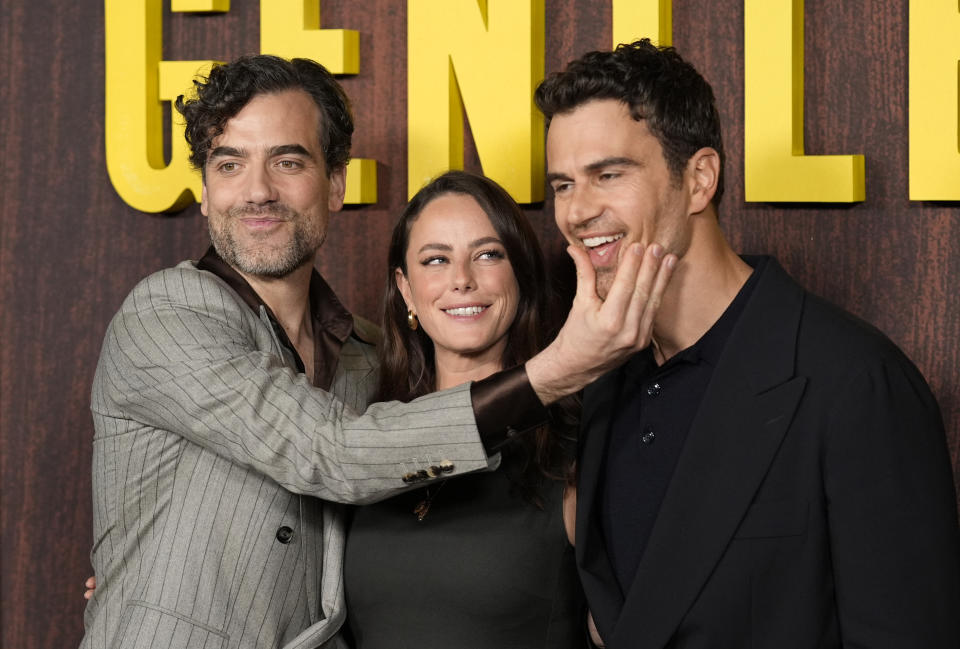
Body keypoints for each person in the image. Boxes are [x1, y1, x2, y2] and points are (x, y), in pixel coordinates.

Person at [80, 54, 675, 649]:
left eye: (287, 161)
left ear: (335, 185)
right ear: (205, 192)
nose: (257, 191)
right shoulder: (165, 313)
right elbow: (334, 452)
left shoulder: (369, 360)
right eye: (229, 164)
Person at [534, 39, 960, 648]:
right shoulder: (604, 383)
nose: (577, 211)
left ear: (700, 178)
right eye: (563, 185)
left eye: (608, 174)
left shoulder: (854, 382)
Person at [344, 170, 582, 648]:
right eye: (436, 260)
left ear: (520, 273)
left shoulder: (576, 448)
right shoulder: (364, 440)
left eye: (488, 254)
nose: (462, 281)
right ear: (406, 289)